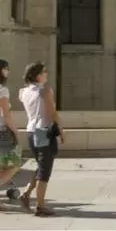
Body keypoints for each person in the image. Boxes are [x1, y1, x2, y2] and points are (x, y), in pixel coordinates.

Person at [18, 62, 63, 217]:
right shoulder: (45, 90)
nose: (47, 74)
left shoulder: (23, 92)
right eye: (44, 72)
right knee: (45, 171)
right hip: (43, 131)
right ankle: (40, 206)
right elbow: (52, 113)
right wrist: (61, 131)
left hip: (31, 130)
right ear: (38, 75)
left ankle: (26, 194)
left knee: (40, 166)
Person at [0, 60, 22, 194]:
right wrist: (16, 131)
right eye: (6, 68)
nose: (8, 71)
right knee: (14, 164)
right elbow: (6, 115)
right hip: (2, 132)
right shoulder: (2, 90)